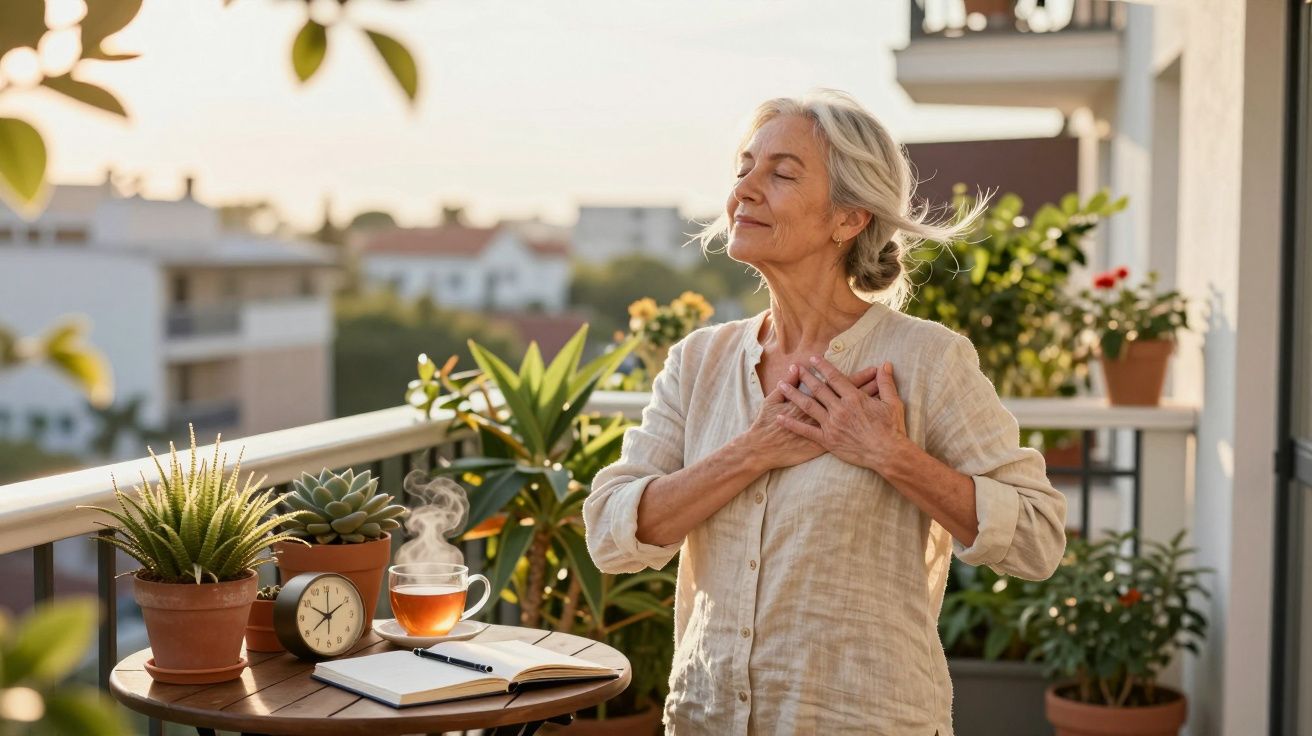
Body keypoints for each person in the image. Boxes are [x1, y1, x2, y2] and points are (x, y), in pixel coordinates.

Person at [583, 89, 1067, 735]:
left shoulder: (927, 360)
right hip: (706, 717)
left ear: (849, 219)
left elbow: (1037, 540)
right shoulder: (699, 360)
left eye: (781, 174)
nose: (746, 190)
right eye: (744, 168)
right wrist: (753, 449)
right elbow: (611, 535)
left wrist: (888, 453)